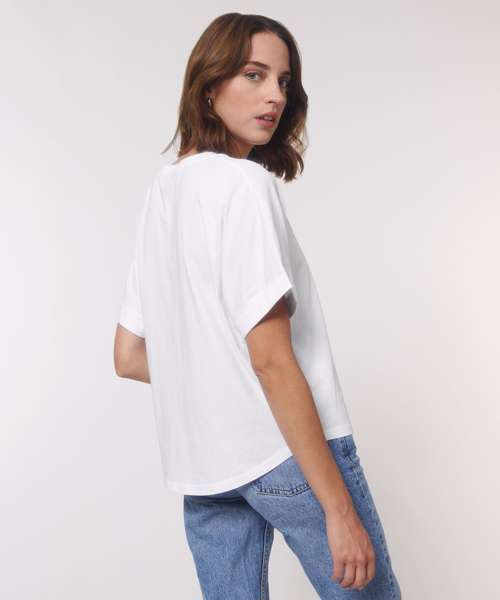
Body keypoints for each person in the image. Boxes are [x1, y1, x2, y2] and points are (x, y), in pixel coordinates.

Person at [113, 12, 402, 600]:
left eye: (284, 81)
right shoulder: (243, 185)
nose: (275, 95)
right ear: (209, 85)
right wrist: (338, 509)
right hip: (288, 453)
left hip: (205, 471)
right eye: (254, 74)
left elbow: (130, 355)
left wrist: (215, 388)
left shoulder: (165, 190)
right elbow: (270, 359)